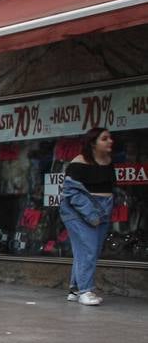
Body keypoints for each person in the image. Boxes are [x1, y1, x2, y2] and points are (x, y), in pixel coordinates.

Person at [60, 127, 116, 306]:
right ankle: (86, 290)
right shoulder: (78, 163)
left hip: (102, 211)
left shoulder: (108, 161)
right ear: (93, 143)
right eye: (104, 138)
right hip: (78, 213)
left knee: (87, 251)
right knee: (89, 250)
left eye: (110, 138)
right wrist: (91, 214)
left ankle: (75, 289)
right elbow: (72, 193)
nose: (110, 141)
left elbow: (108, 188)